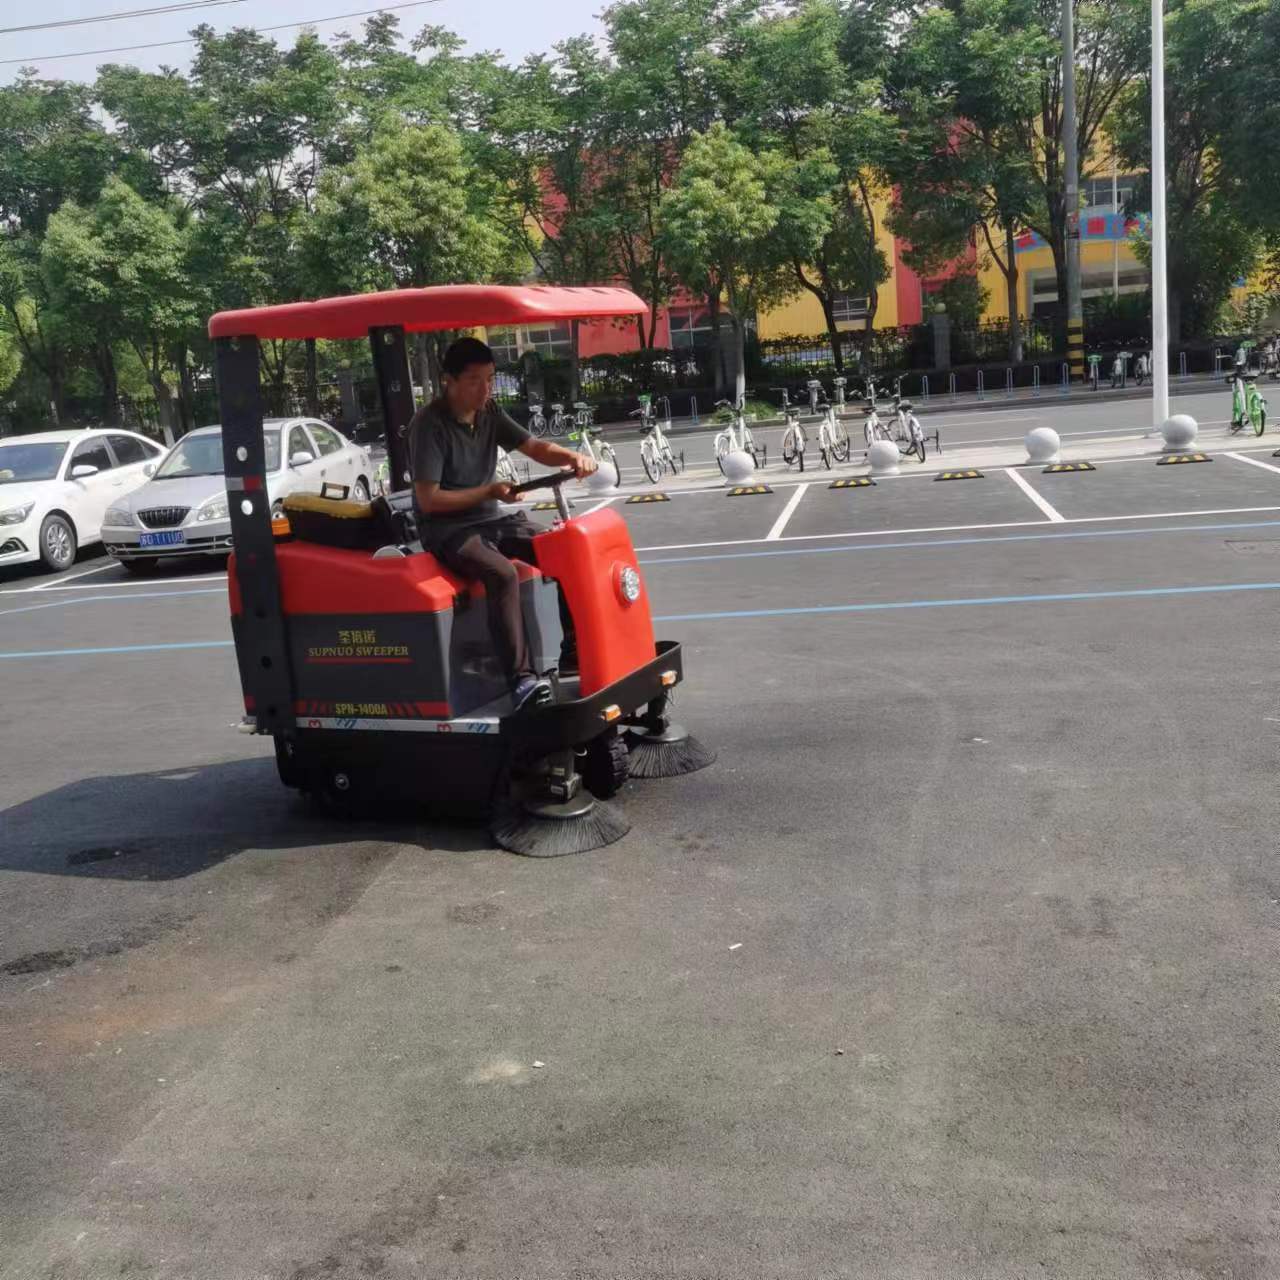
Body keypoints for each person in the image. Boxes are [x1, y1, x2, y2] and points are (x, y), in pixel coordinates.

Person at [410, 337, 598, 711]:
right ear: (449, 380)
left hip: (491, 518)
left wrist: (572, 456)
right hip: (447, 529)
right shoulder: (428, 425)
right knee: (502, 574)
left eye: (491, 379)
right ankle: (522, 681)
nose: (485, 390)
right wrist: (489, 491)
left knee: (561, 547)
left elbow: (535, 447)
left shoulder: (490, 412)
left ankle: (574, 648)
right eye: (475, 381)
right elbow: (429, 499)